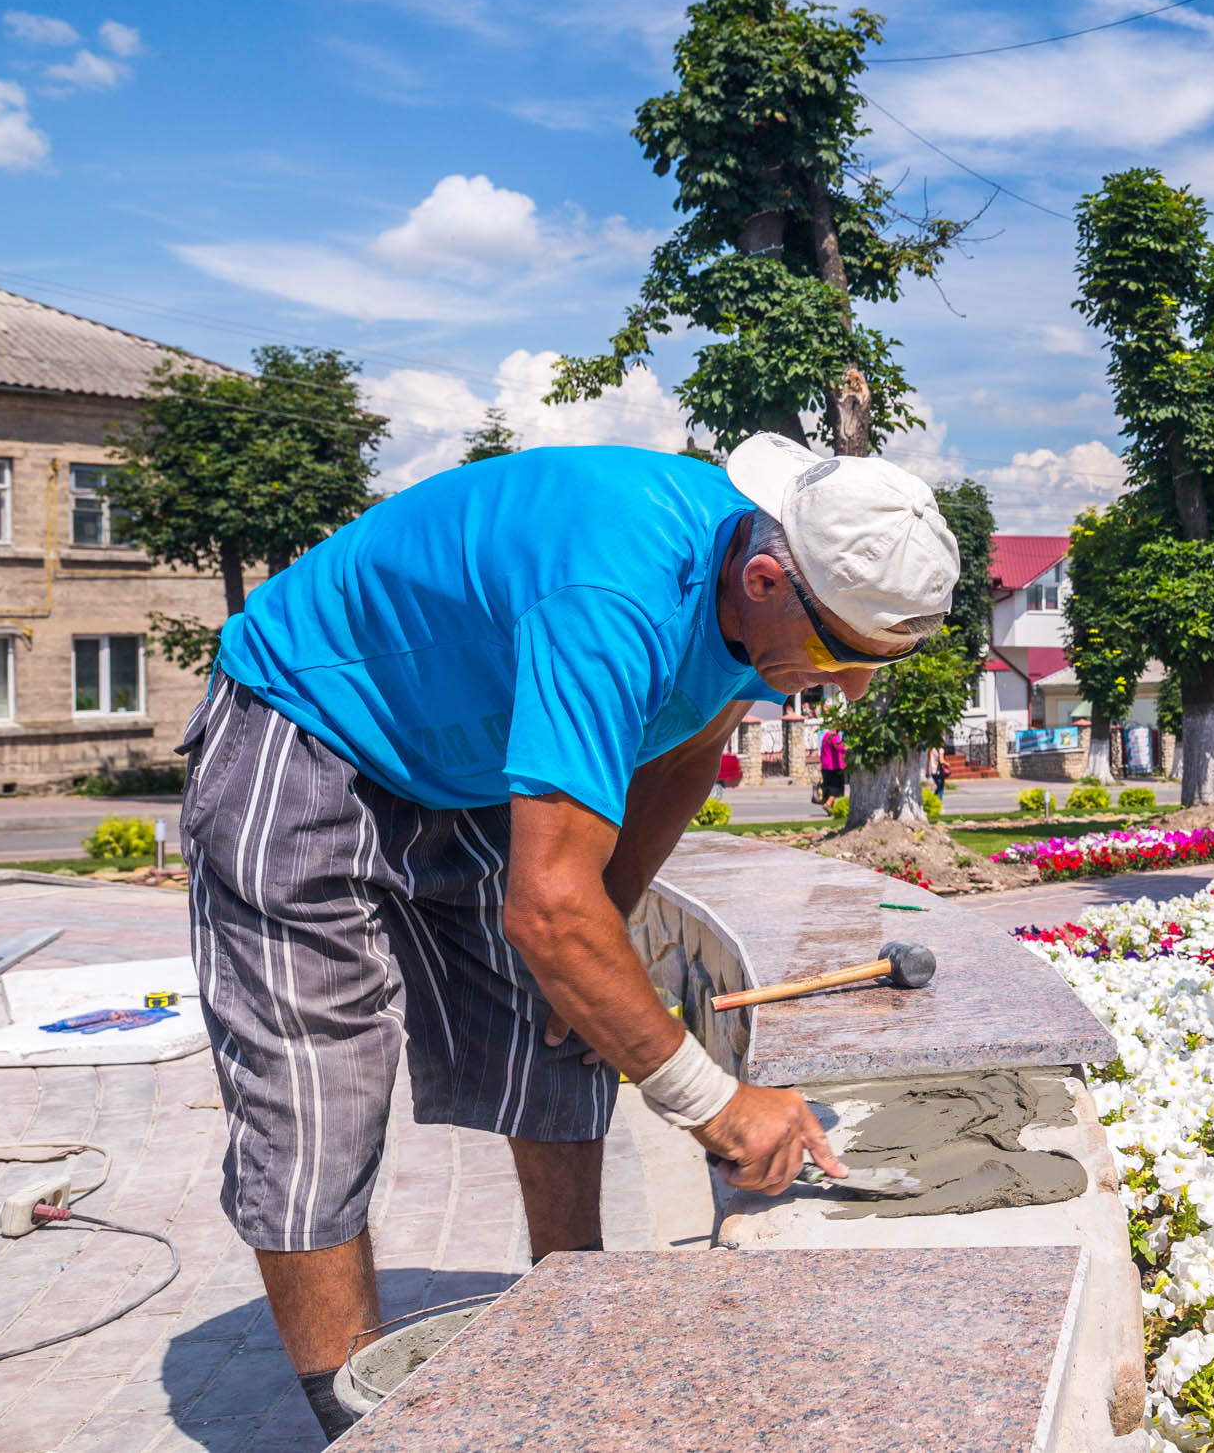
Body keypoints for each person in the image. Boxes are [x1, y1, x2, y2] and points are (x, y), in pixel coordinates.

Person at [179, 434, 957, 1441]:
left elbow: (681, 757)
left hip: (452, 759)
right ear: (765, 579)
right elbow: (545, 907)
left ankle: (574, 1316)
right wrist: (713, 1103)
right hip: (305, 726)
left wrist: (600, 945)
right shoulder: (615, 591)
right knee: (319, 1096)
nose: (847, 691)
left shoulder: (759, 585)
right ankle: (356, 1420)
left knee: (568, 1026)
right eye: (843, 658)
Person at [819, 724, 848, 802]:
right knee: (836, 788)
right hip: (834, 766)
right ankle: (828, 804)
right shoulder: (834, 735)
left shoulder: (826, 735)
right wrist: (850, 748)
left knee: (829, 788)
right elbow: (840, 747)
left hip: (826, 765)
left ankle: (829, 805)